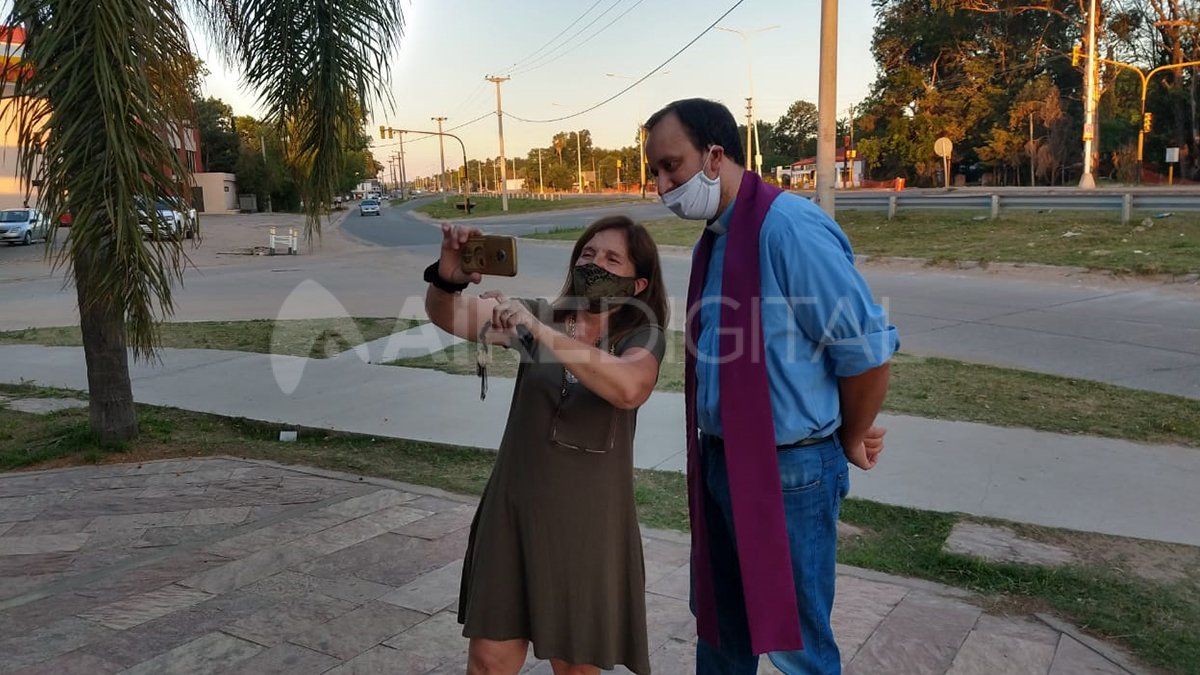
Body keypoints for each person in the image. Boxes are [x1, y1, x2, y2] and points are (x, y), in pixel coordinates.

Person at [643, 98, 899, 674]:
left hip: (790, 473)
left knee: (797, 642)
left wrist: (853, 434)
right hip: (720, 461)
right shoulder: (719, 236)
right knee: (722, 630)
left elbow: (866, 354)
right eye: (654, 172)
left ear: (714, 156)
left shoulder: (787, 228)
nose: (661, 185)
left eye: (670, 166)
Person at [423, 215, 669, 675]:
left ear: (636, 285)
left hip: (588, 528)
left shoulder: (640, 336)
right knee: (488, 660)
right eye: (588, 254)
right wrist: (447, 278)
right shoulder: (539, 315)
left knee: (576, 667)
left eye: (611, 259)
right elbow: (448, 314)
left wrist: (539, 332)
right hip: (514, 514)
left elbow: (629, 387)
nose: (593, 263)